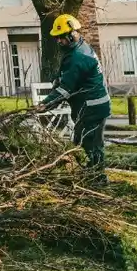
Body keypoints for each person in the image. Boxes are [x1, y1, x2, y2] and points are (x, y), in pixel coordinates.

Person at [41, 14, 111, 184]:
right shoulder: (78, 49)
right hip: (90, 105)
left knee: (91, 143)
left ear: (72, 34)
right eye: (56, 38)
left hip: (92, 107)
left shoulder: (79, 56)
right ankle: (90, 171)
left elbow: (66, 89)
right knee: (80, 139)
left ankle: (98, 178)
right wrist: (58, 79)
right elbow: (68, 77)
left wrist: (45, 105)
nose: (58, 41)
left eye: (61, 37)